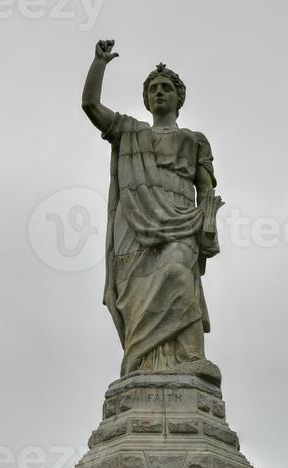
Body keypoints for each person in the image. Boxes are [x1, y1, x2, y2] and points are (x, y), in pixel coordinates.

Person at [81, 39, 223, 384]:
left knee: (178, 274)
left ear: (179, 98)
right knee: (136, 297)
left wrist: (208, 224)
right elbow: (90, 105)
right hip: (134, 226)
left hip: (183, 221)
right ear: (146, 99)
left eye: (166, 88)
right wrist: (99, 64)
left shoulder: (195, 139)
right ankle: (143, 365)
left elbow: (205, 189)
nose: (159, 93)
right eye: (153, 89)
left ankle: (189, 357)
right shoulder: (129, 131)